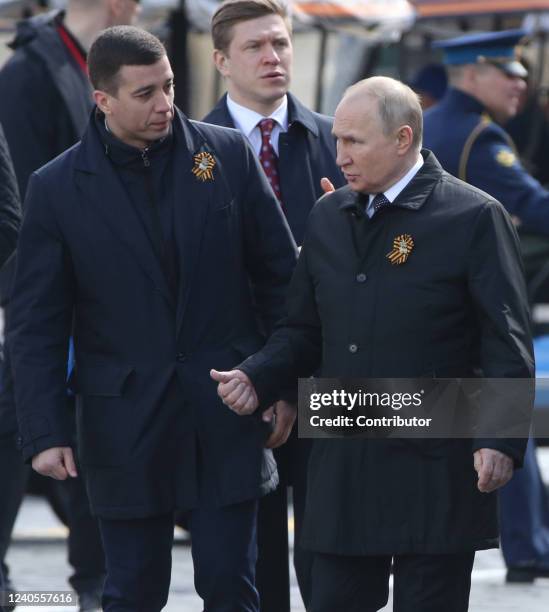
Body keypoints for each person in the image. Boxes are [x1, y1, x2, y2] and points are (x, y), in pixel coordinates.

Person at [211, 76, 534, 611]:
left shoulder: (474, 217)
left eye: (354, 142)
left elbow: (507, 340)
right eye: (337, 140)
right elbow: (302, 330)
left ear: (403, 139)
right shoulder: (328, 216)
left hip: (436, 468)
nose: (339, 155)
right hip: (344, 465)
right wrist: (257, 374)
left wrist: (499, 439)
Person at [8, 25, 297, 612]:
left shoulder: (227, 154)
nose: (164, 104)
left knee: (232, 587)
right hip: (124, 425)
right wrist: (45, 431)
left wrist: (278, 381)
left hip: (226, 414)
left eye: (167, 86)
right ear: (103, 100)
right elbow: (36, 323)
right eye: (144, 94)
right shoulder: (57, 188)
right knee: (133, 591)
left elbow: (280, 283)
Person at [0, 3, 141, 609]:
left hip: (87, 293)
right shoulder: (31, 72)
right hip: (46, 293)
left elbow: (12, 219)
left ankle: (94, 576)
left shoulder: (79, 64)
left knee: (80, 427)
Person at [203, 1, 343, 608]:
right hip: (242, 377)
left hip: (334, 372)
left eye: (281, 44)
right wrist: (264, 379)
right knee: (252, 558)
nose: (273, 58)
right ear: (221, 62)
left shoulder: (339, 137)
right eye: (256, 47)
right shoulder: (191, 153)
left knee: (334, 549)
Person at [423, 29, 549, 583]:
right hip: (473, 305)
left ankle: (532, 541)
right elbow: (533, 206)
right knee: (504, 416)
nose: (520, 87)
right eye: (509, 75)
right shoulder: (480, 138)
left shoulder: (434, 126)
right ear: (472, 76)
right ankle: (527, 548)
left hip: (429, 303)